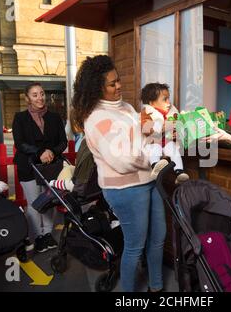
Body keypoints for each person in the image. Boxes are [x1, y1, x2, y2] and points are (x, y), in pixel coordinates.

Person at [72, 55, 166, 292]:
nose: (119, 86)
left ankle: (156, 287)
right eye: (112, 84)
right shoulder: (95, 118)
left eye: (118, 80)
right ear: (97, 88)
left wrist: (154, 131)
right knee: (134, 245)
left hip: (149, 179)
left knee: (159, 236)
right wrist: (153, 157)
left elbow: (143, 137)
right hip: (125, 189)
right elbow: (123, 160)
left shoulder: (126, 107)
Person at [12, 82, 67, 253]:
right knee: (34, 202)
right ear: (27, 98)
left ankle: (48, 234)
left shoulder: (55, 117)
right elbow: (20, 143)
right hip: (28, 166)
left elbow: (63, 142)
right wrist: (40, 152)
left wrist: (52, 151)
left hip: (50, 167)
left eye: (42, 93)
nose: (40, 97)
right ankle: (38, 236)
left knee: (48, 201)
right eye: (35, 94)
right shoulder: (20, 118)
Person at [140, 83, 189, 184]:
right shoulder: (147, 112)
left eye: (168, 98)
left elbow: (178, 127)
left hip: (167, 141)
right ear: (152, 103)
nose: (168, 102)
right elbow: (146, 129)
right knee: (155, 149)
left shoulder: (172, 112)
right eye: (164, 99)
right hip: (153, 141)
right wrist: (163, 127)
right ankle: (155, 167)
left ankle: (179, 172)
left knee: (174, 151)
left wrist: (177, 132)